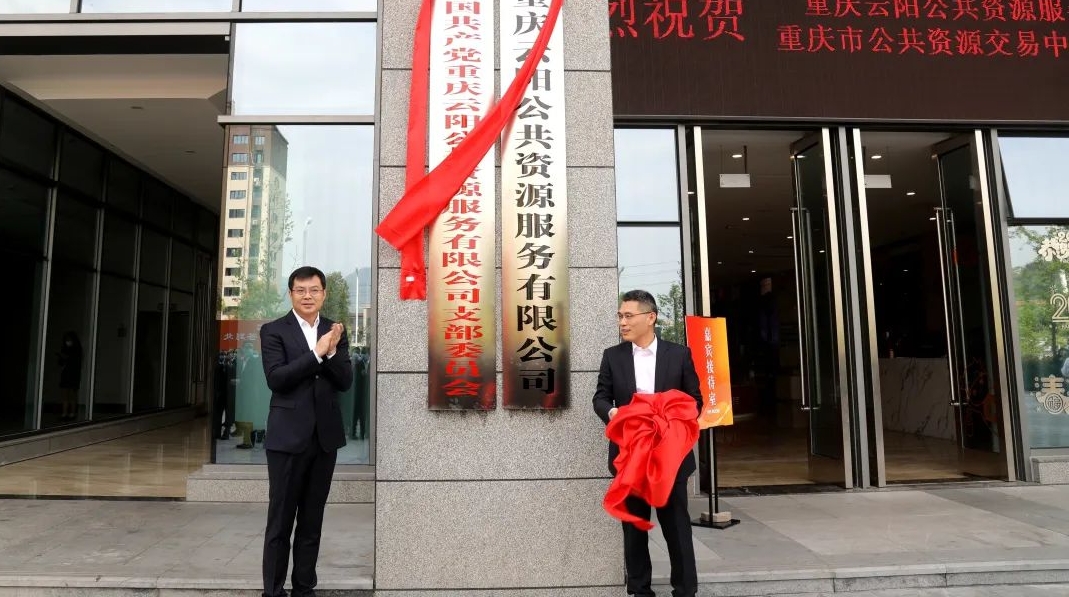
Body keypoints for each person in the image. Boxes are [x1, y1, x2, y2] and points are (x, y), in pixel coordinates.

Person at [592, 289, 701, 597]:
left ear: (650, 317)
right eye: (620, 316)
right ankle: (640, 591)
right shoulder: (613, 356)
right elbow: (600, 397)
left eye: (629, 316)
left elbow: (695, 402)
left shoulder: (678, 355)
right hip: (630, 457)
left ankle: (685, 591)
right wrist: (614, 413)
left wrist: (667, 422)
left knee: (677, 528)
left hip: (670, 460)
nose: (622, 322)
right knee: (634, 529)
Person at [260, 266, 352, 597]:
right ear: (291, 294)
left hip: (324, 440)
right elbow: (277, 379)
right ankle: (273, 591)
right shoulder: (273, 331)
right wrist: (317, 353)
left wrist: (331, 351)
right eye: (300, 290)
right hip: (287, 439)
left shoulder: (334, 331)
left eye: (314, 290)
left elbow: (345, 381)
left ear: (324, 294)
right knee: (280, 521)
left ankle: (304, 589)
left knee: (312, 522)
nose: (307, 296)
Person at [58, 331, 83, 421]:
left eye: (69, 340)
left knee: (72, 394)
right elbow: (60, 363)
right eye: (66, 340)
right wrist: (62, 358)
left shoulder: (77, 350)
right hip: (65, 373)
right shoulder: (64, 349)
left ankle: (72, 413)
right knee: (65, 394)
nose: (67, 342)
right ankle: (64, 413)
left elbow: (77, 362)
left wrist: (67, 358)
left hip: (73, 373)